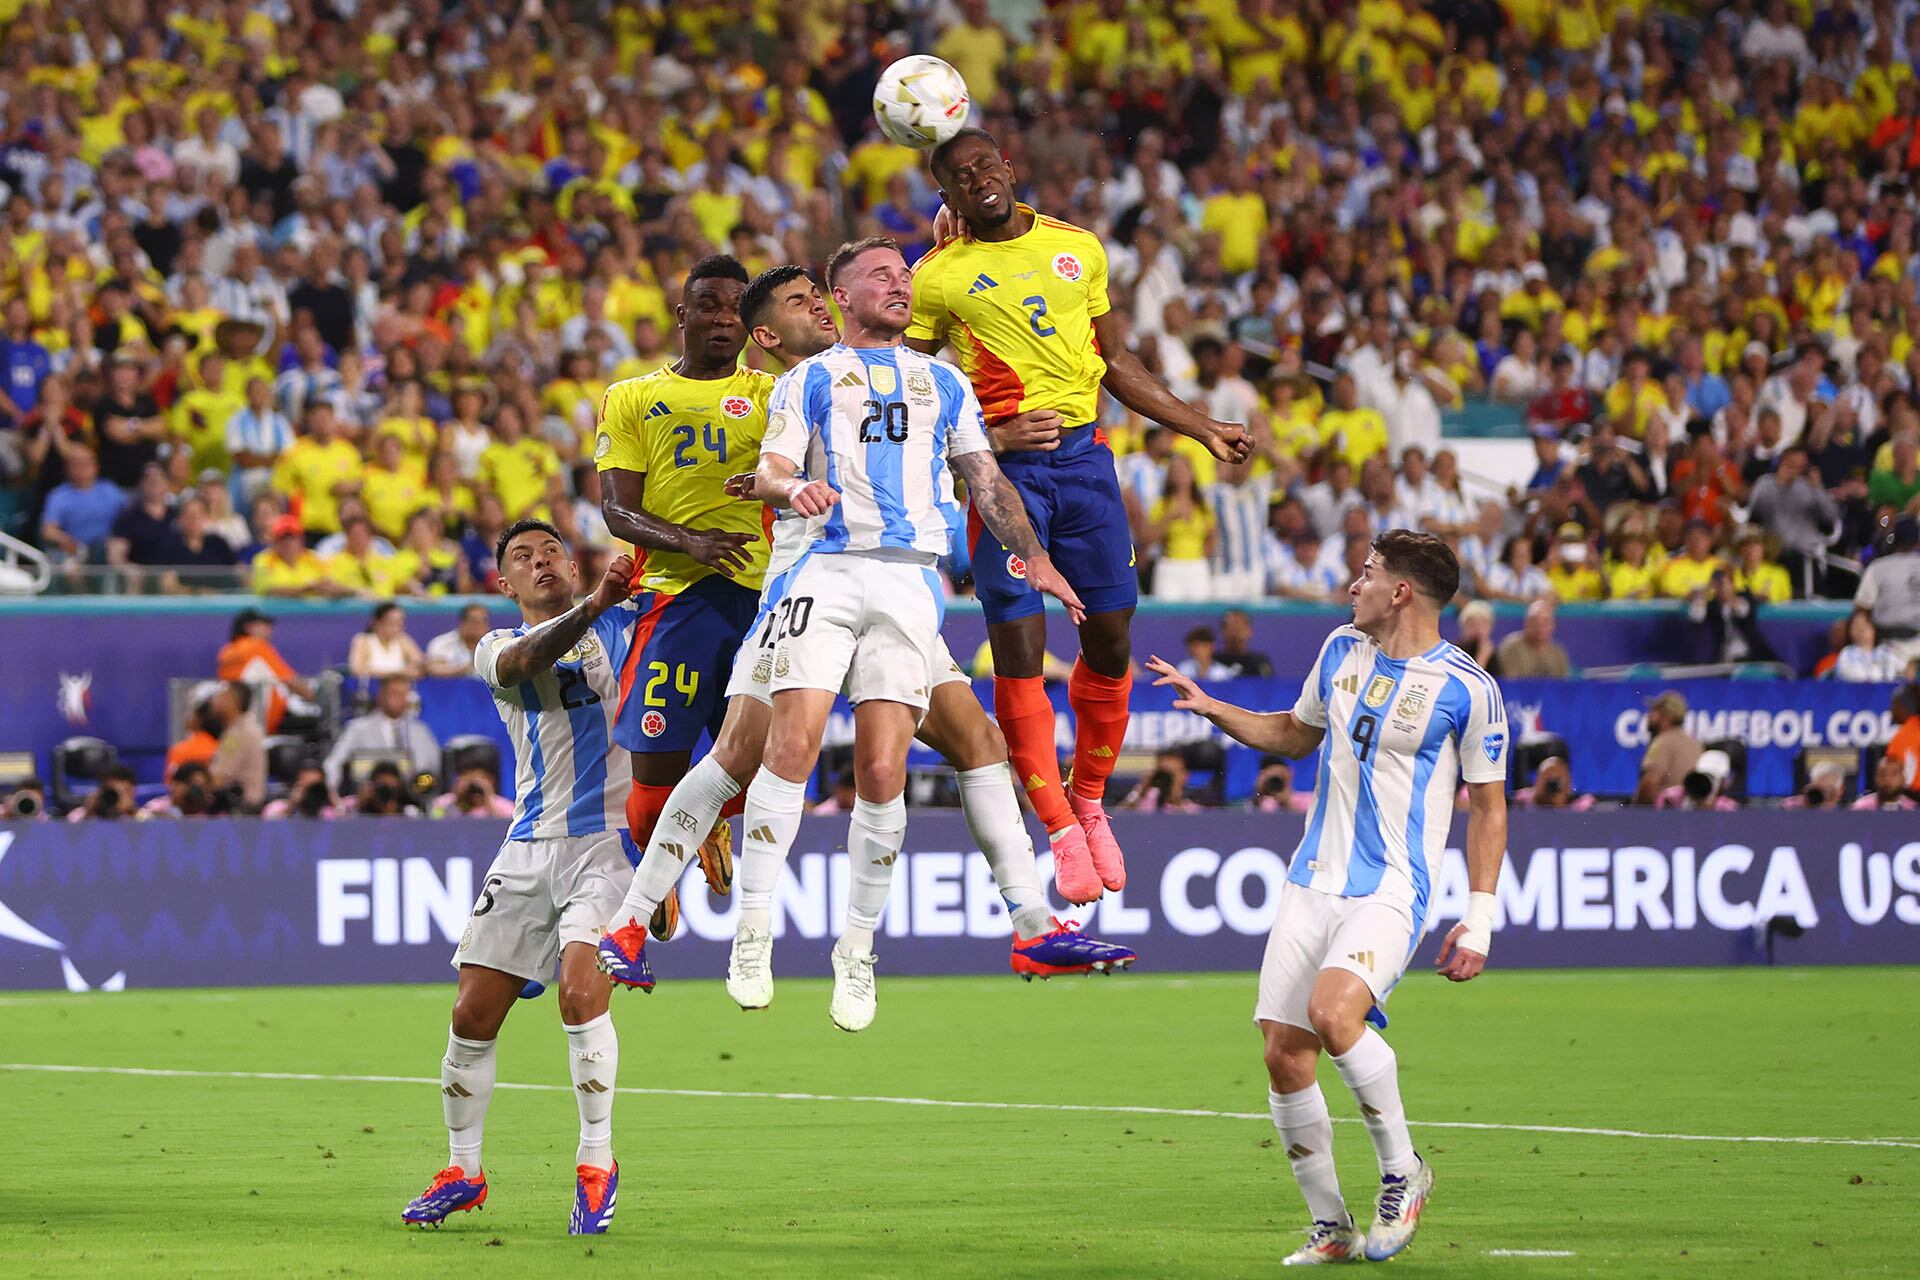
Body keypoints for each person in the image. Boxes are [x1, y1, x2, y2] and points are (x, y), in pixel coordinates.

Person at [597, 263, 1131, 997]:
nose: (816, 307)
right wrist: (762, 485)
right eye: (800, 303)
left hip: (898, 584)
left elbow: (918, 420)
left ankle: (1029, 927)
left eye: (819, 296)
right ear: (767, 336)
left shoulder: (907, 376)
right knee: (747, 754)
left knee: (972, 742)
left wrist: (998, 456)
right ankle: (666, 923)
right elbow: (761, 452)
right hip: (804, 586)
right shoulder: (772, 391)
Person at [730, 237, 1083, 1033]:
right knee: (790, 744)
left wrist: (1037, 562)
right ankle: (754, 931)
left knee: (884, 766)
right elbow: (770, 470)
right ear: (841, 296)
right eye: (881, 276)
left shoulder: (944, 381)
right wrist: (796, 486)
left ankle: (856, 951)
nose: (900, 284)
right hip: (829, 565)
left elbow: (986, 481)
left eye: (905, 275)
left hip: (911, 579)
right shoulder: (808, 378)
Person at [1147, 529, 1509, 1265]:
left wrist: (1479, 921)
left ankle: (1404, 1173)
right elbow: (1292, 734)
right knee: (1284, 1055)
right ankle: (1331, 1227)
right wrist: (1213, 708)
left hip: (1391, 888)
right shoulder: (1340, 649)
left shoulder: (1468, 688)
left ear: (1401, 592)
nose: (1355, 584)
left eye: (1369, 574)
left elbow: (1492, 808)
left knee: (1332, 1012)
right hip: (1312, 881)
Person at [910, 129, 1251, 905]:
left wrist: (1201, 426)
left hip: (1086, 465)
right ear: (948, 197)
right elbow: (913, 391)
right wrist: (988, 437)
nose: (978, 180)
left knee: (1110, 638)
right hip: (1000, 477)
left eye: (985, 165)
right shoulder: (935, 278)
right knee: (1020, 649)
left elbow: (1118, 363)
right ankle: (1059, 828)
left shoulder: (1080, 250)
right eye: (959, 177)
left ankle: (1090, 800)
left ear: (1009, 167)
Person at [401, 524, 643, 1235]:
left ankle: (596, 1163)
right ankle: (464, 1170)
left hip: (609, 847)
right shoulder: (494, 649)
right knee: (470, 1017)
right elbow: (530, 659)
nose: (539, 561)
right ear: (504, 585)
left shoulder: (630, 626)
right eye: (520, 558)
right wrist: (596, 604)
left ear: (571, 562)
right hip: (528, 846)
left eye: (550, 551)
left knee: (578, 995)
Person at [592, 256, 769, 872]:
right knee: (653, 769)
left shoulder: (775, 394)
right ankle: (653, 860)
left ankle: (712, 820)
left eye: (734, 309)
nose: (722, 319)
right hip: (675, 595)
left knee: (768, 757)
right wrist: (691, 540)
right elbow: (618, 511)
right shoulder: (632, 397)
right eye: (708, 306)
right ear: (682, 315)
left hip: (765, 602)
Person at [324, 675, 439, 796]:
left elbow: (434, 769)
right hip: (369, 804)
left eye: (404, 694)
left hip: (412, 800)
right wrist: (333, 795)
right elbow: (333, 763)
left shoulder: (420, 731)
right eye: (395, 693)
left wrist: (422, 792)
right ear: (380, 696)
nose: (400, 699)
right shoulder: (358, 729)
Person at [217, 607, 313, 734]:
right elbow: (291, 682)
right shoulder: (256, 646)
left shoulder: (226, 652)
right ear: (249, 627)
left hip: (234, 721)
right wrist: (315, 697)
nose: (270, 629)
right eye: (264, 625)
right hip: (267, 721)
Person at [40, 446, 125, 565]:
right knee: (70, 566)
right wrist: (66, 541)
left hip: (106, 548)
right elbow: (48, 531)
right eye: (75, 463)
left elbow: (128, 520)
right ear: (67, 468)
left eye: (85, 463)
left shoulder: (110, 490)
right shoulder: (58, 496)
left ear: (96, 466)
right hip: (74, 550)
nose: (81, 468)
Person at [1852, 519, 1920, 665]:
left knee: (1860, 617)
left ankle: (1866, 664)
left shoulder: (1878, 567)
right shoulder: (1879, 567)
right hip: (1893, 645)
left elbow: (1861, 609)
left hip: (1888, 648)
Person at [205, 682, 267, 811]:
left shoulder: (237, 735)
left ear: (232, 702)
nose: (213, 702)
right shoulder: (247, 727)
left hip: (241, 811)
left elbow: (219, 778)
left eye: (220, 697)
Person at [1635, 690, 1703, 804]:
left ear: (1667, 717)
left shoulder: (1662, 742)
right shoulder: (1695, 743)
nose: (1649, 716)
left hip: (1664, 815)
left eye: (1654, 711)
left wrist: (1635, 812)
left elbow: (1649, 784)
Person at [1493, 599, 1572, 678]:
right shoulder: (1511, 648)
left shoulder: (1558, 652)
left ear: (1552, 625)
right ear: (1526, 623)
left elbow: (1565, 685)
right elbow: (1509, 683)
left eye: (1545, 622)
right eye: (1534, 622)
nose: (1540, 627)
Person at [349, 602, 426, 681]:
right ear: (377, 622)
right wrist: (395, 674)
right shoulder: (363, 640)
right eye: (393, 623)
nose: (397, 628)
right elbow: (357, 669)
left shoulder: (403, 640)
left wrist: (413, 668)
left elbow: (419, 664)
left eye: (400, 624)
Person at [1656, 748, 1740, 810]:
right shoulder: (1672, 797)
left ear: (1723, 782)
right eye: (1701, 776)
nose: (1703, 784)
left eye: (1713, 778)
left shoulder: (1727, 808)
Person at [426, 603, 494, 677]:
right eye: (473, 620)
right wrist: (465, 669)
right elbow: (434, 669)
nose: (477, 625)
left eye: (483, 620)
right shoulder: (442, 643)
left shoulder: (494, 647)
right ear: (462, 623)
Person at [432, 766, 515, 819]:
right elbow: (434, 819)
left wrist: (488, 799)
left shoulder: (503, 805)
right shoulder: (444, 801)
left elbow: (507, 827)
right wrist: (457, 799)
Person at [1512, 757, 1595, 809]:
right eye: (1547, 776)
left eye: (1558, 777)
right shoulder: (1522, 804)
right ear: (1537, 781)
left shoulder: (1579, 809)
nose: (1553, 783)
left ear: (1569, 781)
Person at [1216, 608, 1275, 678]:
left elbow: (1270, 686)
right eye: (1232, 627)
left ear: (1249, 631)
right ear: (1223, 631)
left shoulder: (1259, 663)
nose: (1236, 633)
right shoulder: (1213, 662)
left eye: (1240, 628)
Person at [1852, 753, 1917, 810]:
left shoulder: (1913, 809)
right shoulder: (1860, 808)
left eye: (1894, 774)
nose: (1887, 779)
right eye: (1882, 774)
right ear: (1875, 778)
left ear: (1903, 778)